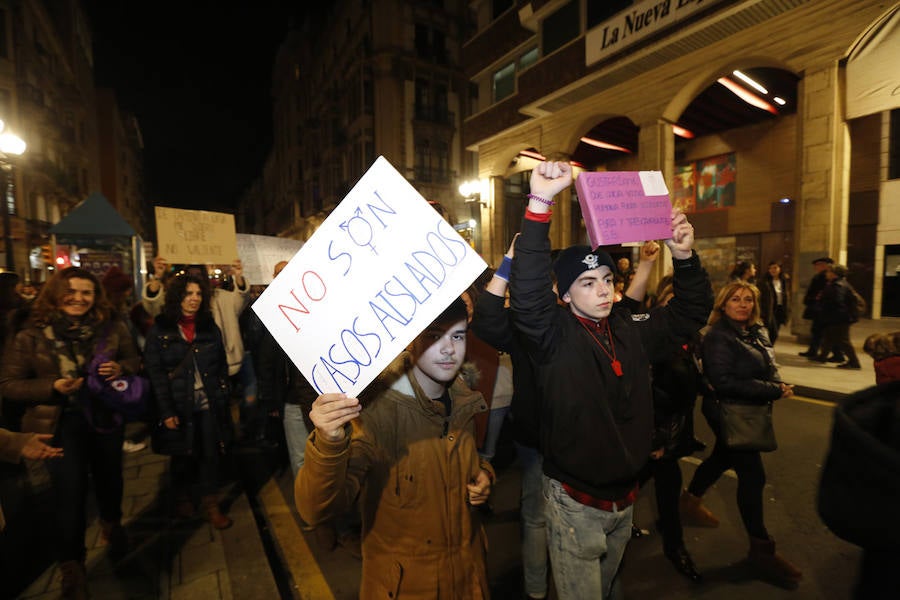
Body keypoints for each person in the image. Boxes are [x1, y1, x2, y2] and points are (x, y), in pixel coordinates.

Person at [509, 160, 713, 599]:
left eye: (605, 278)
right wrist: (541, 201)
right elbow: (526, 294)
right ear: (564, 295)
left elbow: (689, 314)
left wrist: (684, 257)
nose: (602, 289)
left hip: (626, 499)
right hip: (575, 503)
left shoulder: (630, 326)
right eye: (586, 282)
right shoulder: (553, 335)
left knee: (607, 586)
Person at [295, 298, 494, 598]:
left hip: (469, 579)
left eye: (458, 335)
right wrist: (330, 442)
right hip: (408, 588)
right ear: (410, 341)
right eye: (433, 335)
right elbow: (316, 509)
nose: (449, 348)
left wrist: (483, 476)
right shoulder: (376, 414)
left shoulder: (464, 399)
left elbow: (464, 460)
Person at [0, 267, 141, 598]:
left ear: (96, 296)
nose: (79, 298)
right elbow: (8, 384)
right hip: (59, 423)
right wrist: (52, 386)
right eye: (72, 291)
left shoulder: (111, 324)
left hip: (105, 416)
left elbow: (135, 358)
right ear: (56, 293)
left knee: (110, 479)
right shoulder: (31, 333)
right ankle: (72, 564)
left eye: (87, 292)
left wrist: (122, 368)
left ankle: (112, 524)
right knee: (69, 494)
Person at [681, 280, 802, 587]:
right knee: (753, 476)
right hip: (728, 410)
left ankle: (689, 502)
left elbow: (765, 366)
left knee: (723, 456)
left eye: (748, 299)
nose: (742, 304)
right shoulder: (719, 337)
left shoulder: (756, 330)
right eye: (735, 299)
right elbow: (723, 381)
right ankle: (761, 550)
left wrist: (776, 384)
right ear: (723, 304)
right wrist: (774, 390)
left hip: (747, 407)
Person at [143, 273, 235, 530]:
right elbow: (155, 372)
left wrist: (223, 392)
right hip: (177, 403)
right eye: (188, 294)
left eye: (198, 294)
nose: (194, 299)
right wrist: (166, 410)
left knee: (209, 453)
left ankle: (211, 505)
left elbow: (220, 366)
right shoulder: (161, 328)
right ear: (177, 297)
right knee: (182, 454)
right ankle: (182, 498)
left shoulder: (209, 325)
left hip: (207, 401)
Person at [637, 283, 705, 582]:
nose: (677, 308)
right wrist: (656, 440)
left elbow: (686, 395)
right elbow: (644, 395)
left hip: (673, 435)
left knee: (666, 490)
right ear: (658, 305)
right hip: (652, 437)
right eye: (670, 301)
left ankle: (675, 547)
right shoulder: (649, 341)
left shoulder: (692, 340)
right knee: (627, 489)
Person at [810, 264, 861, 369]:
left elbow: (838, 302)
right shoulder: (837, 283)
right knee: (828, 337)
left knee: (843, 341)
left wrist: (824, 307)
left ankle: (854, 362)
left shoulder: (838, 285)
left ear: (834, 274)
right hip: (836, 317)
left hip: (839, 318)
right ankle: (822, 357)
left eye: (829, 271)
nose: (827, 273)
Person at [799, 256, 834, 359]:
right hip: (818, 307)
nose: (815, 267)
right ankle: (813, 351)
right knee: (817, 330)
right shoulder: (819, 276)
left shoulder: (825, 277)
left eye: (818, 265)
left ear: (824, 265)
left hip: (821, 308)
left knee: (820, 331)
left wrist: (814, 299)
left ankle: (818, 352)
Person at [758, 261, 791, 345]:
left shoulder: (783, 281)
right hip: (770, 309)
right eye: (770, 268)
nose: (773, 270)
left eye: (775, 268)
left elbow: (785, 296)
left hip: (780, 309)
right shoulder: (764, 281)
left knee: (775, 332)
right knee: (773, 332)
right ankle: (766, 348)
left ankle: (768, 348)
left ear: (780, 269)